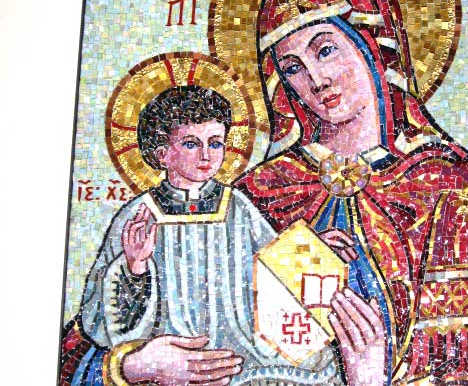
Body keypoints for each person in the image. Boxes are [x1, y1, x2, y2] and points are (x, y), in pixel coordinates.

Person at [232, 0, 468, 385]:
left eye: (325, 50)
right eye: (293, 67)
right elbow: (222, 337)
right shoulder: (261, 192)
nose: (316, 80)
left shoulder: (454, 185)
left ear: (372, 46)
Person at [63, 84, 353, 385]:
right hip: (170, 355)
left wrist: (307, 249)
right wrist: (134, 266)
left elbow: (269, 263)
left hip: (243, 348)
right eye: (191, 144)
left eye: (215, 143)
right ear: (163, 154)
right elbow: (98, 321)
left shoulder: (237, 206)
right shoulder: (138, 215)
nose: (206, 155)